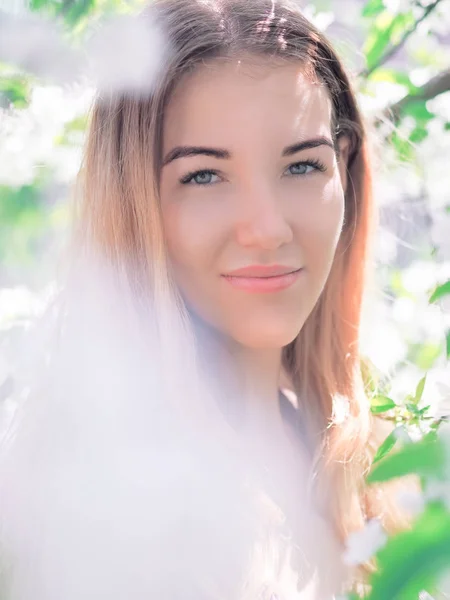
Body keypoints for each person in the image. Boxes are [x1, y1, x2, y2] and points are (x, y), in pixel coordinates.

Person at [0, 1, 411, 599]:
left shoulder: (367, 455)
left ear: (344, 168)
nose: (267, 228)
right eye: (203, 176)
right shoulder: (74, 494)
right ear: (133, 203)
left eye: (301, 166)